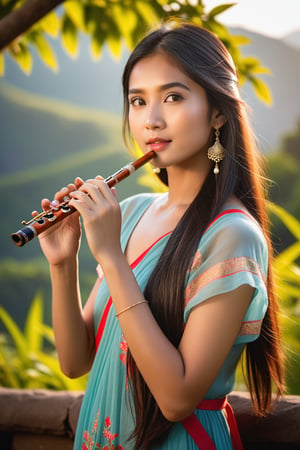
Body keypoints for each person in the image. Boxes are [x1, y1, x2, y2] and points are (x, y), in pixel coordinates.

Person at [36, 22, 285, 450]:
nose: (151, 119)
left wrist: (112, 256)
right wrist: (63, 262)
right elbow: (75, 363)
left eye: (172, 97)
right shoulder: (130, 213)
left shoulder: (232, 236)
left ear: (218, 112)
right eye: (137, 101)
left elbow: (176, 399)